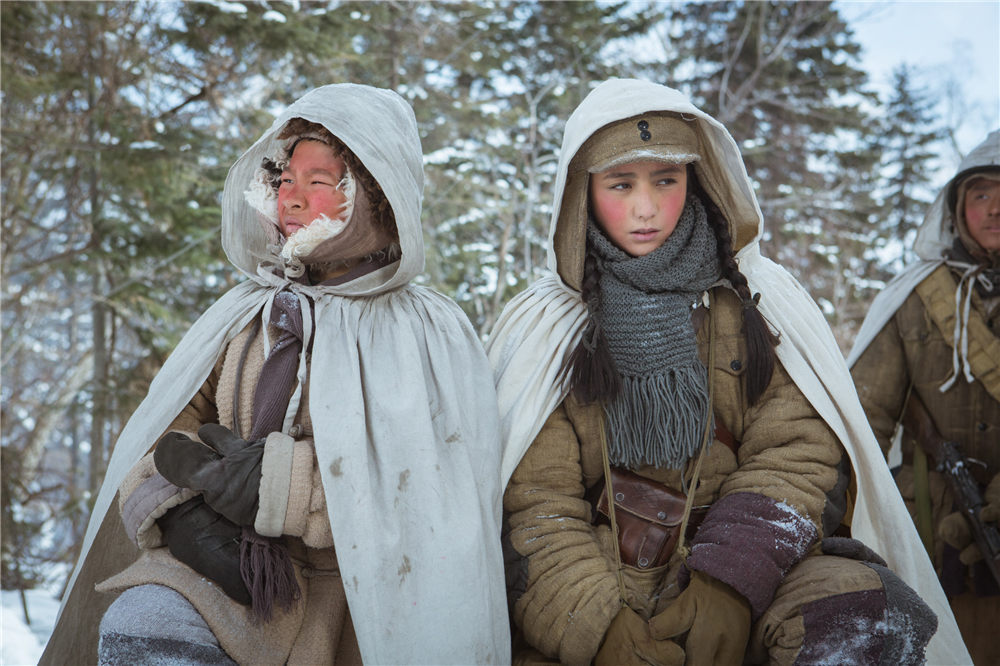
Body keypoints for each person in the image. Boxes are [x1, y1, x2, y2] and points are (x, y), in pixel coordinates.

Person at [487, 78, 969, 665]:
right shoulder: (548, 323)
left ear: (695, 178)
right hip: (599, 584)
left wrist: (730, 584)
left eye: (665, 180)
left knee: (861, 615)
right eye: (620, 184)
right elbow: (537, 501)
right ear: (583, 192)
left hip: (755, 572)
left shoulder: (758, 301)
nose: (646, 207)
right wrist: (597, 626)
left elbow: (797, 451)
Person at [40, 83, 509, 665]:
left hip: (361, 594)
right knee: (145, 627)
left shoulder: (426, 329)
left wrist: (277, 483)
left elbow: (429, 482)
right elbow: (172, 424)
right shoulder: (246, 311)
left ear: (375, 195)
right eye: (285, 179)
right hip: (231, 567)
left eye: (318, 182)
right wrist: (183, 506)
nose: (290, 197)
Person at [848, 129, 1000, 665]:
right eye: (980, 194)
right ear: (958, 207)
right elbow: (863, 418)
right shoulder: (914, 296)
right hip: (926, 529)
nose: (995, 209)